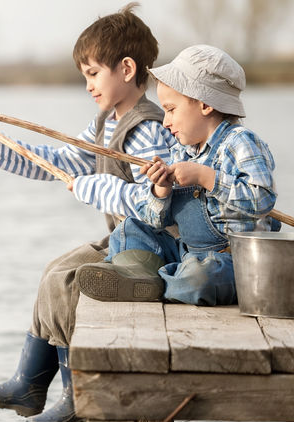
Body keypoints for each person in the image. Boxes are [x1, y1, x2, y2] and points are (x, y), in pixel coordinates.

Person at [0, 3, 176, 422]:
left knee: (66, 283)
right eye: (85, 77)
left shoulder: (148, 129)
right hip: (126, 239)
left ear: (127, 68)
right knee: (54, 269)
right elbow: (58, 162)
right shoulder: (103, 126)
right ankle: (29, 383)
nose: (89, 85)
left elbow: (157, 203)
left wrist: (95, 187)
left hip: (156, 245)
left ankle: (76, 394)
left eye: (94, 74)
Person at [75, 45, 278, 306]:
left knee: (199, 278)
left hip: (230, 258)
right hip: (186, 251)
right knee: (129, 229)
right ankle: (152, 276)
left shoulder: (240, 142)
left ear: (205, 105)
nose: (165, 121)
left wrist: (207, 177)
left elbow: (262, 199)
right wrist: (161, 191)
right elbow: (158, 221)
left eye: (171, 109)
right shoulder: (182, 151)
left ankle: (150, 279)